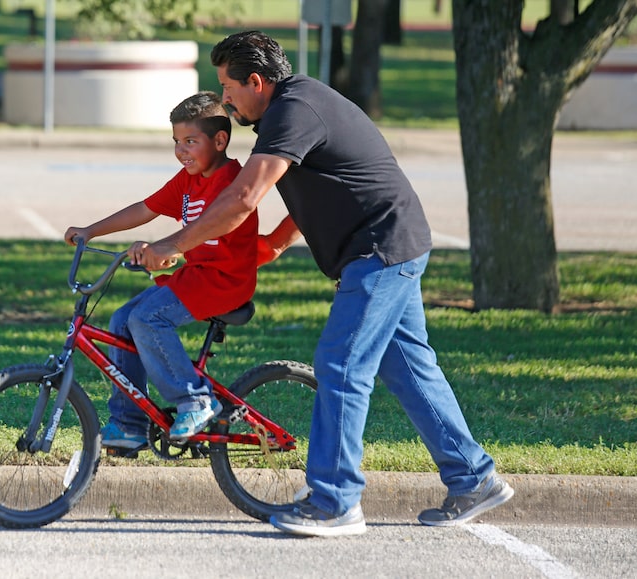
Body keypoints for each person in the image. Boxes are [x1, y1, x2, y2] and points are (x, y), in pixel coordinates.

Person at [134, 31, 514, 537]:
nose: (224, 98)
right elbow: (321, 186)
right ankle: (474, 477)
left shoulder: (295, 109)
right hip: (385, 248)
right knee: (407, 369)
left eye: (228, 87)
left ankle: (335, 501)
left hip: (380, 250)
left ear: (256, 81)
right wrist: (274, 246)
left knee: (341, 364)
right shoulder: (287, 112)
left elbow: (244, 197)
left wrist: (174, 244)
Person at [64, 91, 258, 448]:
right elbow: (145, 208)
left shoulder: (231, 181)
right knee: (122, 319)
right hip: (197, 276)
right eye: (176, 142)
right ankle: (129, 423)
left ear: (220, 140)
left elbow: (211, 227)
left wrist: (163, 247)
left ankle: (195, 399)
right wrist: (91, 230)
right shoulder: (188, 180)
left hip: (224, 281)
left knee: (147, 319)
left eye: (190, 141)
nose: (182, 151)